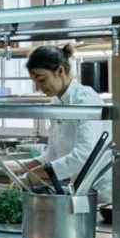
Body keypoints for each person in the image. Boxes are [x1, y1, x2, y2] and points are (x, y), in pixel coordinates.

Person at [14, 44, 112, 203]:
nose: (38, 87)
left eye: (41, 79)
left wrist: (38, 174)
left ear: (60, 71)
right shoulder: (55, 103)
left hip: (102, 192)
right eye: (34, 81)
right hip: (79, 190)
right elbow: (53, 154)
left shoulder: (85, 99)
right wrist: (23, 167)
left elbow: (84, 155)